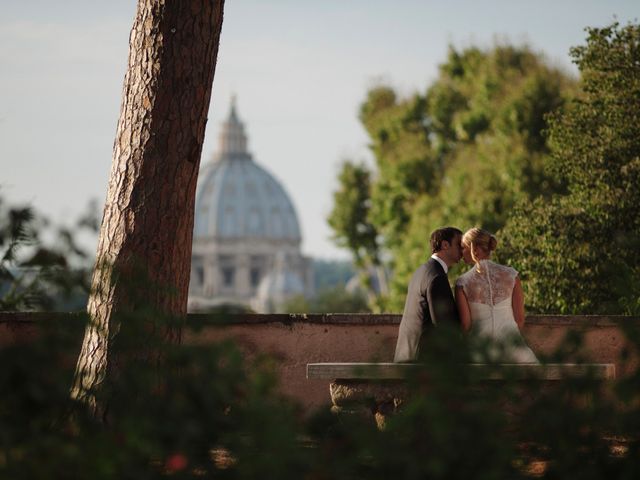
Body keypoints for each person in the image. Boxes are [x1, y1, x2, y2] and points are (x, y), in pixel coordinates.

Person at [455, 228, 538, 363]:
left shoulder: (462, 283)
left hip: (480, 349)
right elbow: (520, 319)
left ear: (474, 248)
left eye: (463, 248)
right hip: (511, 346)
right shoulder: (512, 276)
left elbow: (466, 325)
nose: (461, 252)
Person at [394, 226, 463, 362]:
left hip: (407, 354)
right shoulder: (436, 276)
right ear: (445, 245)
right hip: (422, 361)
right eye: (459, 245)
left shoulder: (421, 271)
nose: (463, 250)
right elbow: (443, 325)